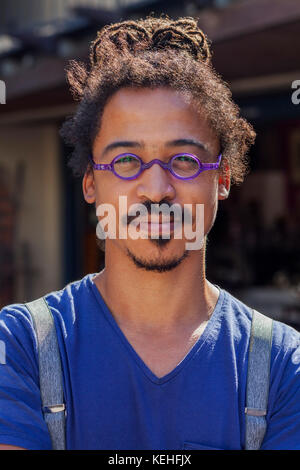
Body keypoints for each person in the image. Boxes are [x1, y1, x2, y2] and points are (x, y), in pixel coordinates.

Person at [0, 16, 299, 451]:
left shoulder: (282, 366)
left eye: (184, 161)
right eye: (126, 160)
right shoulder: (21, 346)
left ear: (222, 178)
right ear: (90, 182)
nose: (156, 189)